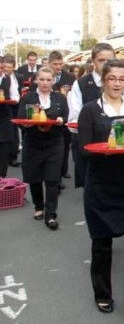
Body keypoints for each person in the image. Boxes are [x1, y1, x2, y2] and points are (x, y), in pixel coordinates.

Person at [77, 59, 124, 324]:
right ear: (103, 80)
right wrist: (110, 147)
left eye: (122, 79)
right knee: (102, 245)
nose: (117, 83)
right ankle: (103, 294)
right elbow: (83, 150)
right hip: (101, 185)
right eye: (112, 79)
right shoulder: (90, 111)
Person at [16, 67, 68, 229]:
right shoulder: (28, 98)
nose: (45, 83)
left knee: (52, 179)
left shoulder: (60, 98)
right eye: (42, 79)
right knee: (35, 176)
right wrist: (26, 123)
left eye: (48, 79)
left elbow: (66, 116)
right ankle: (39, 206)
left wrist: (61, 119)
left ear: (53, 81)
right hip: (33, 142)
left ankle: (51, 214)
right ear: (36, 80)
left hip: (54, 142)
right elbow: (20, 119)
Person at [68, 43, 124, 188]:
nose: (106, 64)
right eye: (102, 60)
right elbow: (76, 115)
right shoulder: (80, 84)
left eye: (110, 61)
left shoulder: (123, 83)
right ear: (93, 61)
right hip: (92, 144)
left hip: (119, 144)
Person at [48, 51, 76, 185]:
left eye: (60, 64)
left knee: (65, 144)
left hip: (65, 113)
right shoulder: (45, 76)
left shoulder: (70, 77)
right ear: (49, 63)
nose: (58, 67)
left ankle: (64, 169)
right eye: (55, 64)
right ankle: (55, 177)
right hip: (49, 116)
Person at [3, 55, 24, 168]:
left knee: (15, 132)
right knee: (7, 133)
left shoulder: (18, 77)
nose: (6, 69)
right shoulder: (3, 78)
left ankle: (13, 156)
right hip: (5, 107)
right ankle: (6, 157)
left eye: (9, 67)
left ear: (13, 68)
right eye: (4, 66)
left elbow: (18, 92)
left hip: (16, 106)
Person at [0, 58, 14, 177]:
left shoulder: (9, 79)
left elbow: (15, 96)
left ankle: (2, 178)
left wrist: (9, 100)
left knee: (3, 150)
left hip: (4, 117)